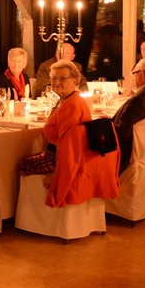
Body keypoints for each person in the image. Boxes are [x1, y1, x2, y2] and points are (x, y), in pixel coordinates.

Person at [18, 61, 119, 207]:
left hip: (62, 159)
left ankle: (21, 215)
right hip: (74, 156)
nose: (57, 82)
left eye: (62, 78)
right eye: (54, 79)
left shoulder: (71, 106)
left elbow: (66, 146)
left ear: (75, 81)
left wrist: (58, 174)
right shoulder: (70, 99)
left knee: (22, 164)